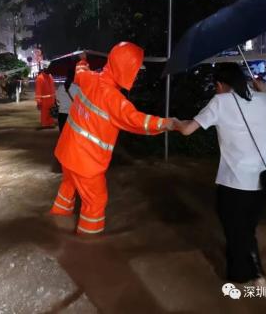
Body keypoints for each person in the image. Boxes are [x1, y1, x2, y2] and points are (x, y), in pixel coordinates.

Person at [174, 63, 266, 287]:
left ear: (220, 84)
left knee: (236, 231)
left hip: (235, 183)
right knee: (245, 229)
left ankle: (254, 276)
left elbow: (186, 129)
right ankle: (247, 273)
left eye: (216, 87)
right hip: (265, 183)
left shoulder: (220, 103)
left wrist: (171, 122)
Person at [50, 42, 176, 236]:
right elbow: (137, 121)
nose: (136, 74)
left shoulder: (90, 78)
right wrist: (167, 123)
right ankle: (88, 245)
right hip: (86, 163)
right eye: (135, 70)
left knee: (68, 186)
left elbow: (80, 71)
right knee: (96, 201)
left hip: (67, 153)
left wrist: (82, 60)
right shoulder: (114, 100)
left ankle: (56, 220)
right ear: (126, 70)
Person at [56, 55, 86, 131]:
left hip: (62, 115)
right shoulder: (77, 88)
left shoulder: (60, 88)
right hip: (73, 115)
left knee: (62, 134)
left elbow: (58, 100)